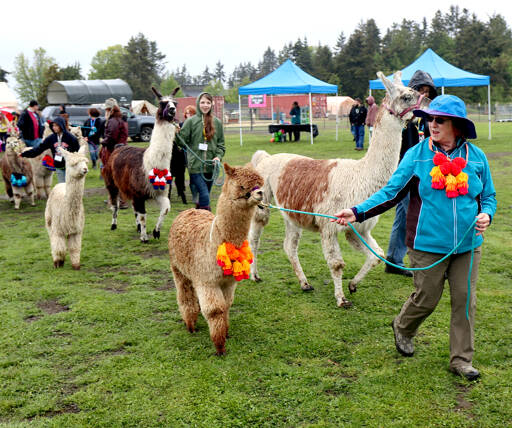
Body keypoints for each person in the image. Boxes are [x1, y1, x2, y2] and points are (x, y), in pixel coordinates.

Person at [332, 95, 496, 381]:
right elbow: (390, 193)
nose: (432, 124)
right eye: (430, 119)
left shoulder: (477, 158)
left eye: (440, 120)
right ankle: (403, 327)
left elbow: (488, 196)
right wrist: (357, 212)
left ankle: (461, 360)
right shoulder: (417, 155)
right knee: (427, 298)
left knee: (464, 301)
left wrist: (487, 215)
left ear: (456, 126)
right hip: (426, 245)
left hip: (468, 245)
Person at [385, 70, 438, 277]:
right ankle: (408, 261)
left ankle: (394, 259)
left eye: (427, 91)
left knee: (407, 214)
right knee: (411, 214)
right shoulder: (405, 114)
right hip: (406, 169)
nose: (424, 94)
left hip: (426, 171)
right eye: (420, 90)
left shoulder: (428, 115)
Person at [175, 92, 225, 211]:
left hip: (211, 167)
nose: (205, 105)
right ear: (198, 103)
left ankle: (198, 217)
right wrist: (177, 134)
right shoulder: (190, 121)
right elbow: (182, 143)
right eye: (203, 102)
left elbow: (221, 145)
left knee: (205, 195)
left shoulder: (217, 122)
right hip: (196, 166)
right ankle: (206, 220)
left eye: (208, 102)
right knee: (205, 196)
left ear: (211, 104)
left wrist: (218, 157)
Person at [20, 116, 80, 183]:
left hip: (70, 166)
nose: (54, 127)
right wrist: (24, 154)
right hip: (59, 166)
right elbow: (39, 149)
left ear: (61, 125)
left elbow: (77, 152)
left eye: (56, 125)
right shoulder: (51, 138)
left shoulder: (71, 138)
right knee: (62, 185)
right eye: (53, 125)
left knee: (71, 184)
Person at [100, 98, 129, 209]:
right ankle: (114, 198)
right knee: (117, 176)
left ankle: (120, 201)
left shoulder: (113, 121)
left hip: (114, 152)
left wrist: (103, 142)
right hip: (120, 150)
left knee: (114, 177)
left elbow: (111, 137)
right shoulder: (119, 119)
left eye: (106, 109)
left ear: (109, 109)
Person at [171, 105, 196, 204]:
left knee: (193, 175)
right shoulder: (181, 125)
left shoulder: (196, 125)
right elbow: (178, 140)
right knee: (180, 173)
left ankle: (194, 194)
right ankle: (182, 190)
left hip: (193, 152)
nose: (188, 115)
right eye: (187, 113)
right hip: (182, 153)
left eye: (191, 113)